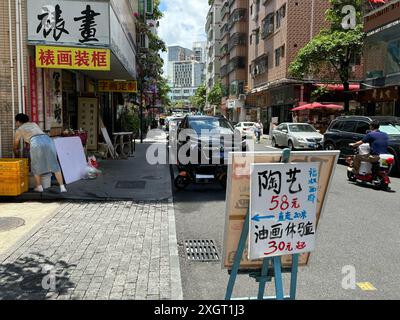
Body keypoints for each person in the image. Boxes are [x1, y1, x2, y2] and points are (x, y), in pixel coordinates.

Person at [13, 113, 67, 193]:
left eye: (16, 122)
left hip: (36, 142)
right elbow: (36, 134)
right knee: (54, 164)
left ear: (18, 122)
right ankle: (62, 187)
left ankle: (39, 186)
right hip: (48, 140)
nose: (16, 124)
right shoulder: (34, 124)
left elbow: (15, 145)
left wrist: (16, 153)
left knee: (35, 165)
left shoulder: (19, 129)